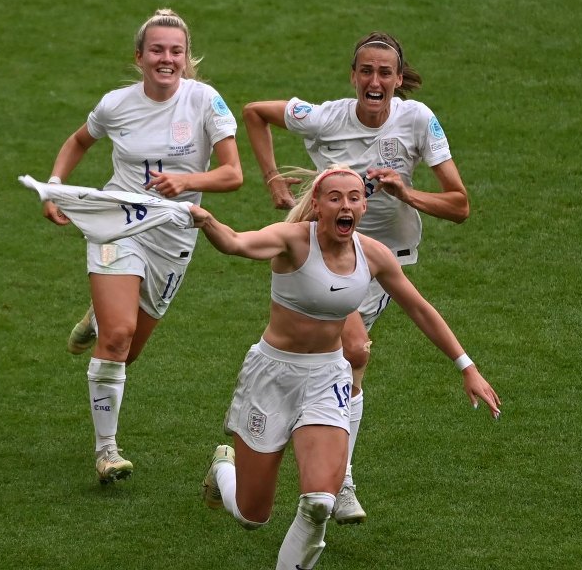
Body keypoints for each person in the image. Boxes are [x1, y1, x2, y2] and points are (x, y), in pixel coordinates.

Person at [193, 166, 500, 570]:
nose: (346, 205)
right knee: (253, 516)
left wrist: (467, 367)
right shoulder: (292, 241)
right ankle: (223, 469)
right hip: (272, 376)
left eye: (354, 197)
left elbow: (421, 310)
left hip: (327, 377)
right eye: (335, 197)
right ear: (317, 205)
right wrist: (208, 221)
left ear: (364, 206)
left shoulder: (373, 255)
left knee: (320, 502)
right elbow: (235, 243)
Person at [242, 31, 469, 522]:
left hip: (384, 260)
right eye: (366, 70)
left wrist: (407, 194)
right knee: (353, 352)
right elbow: (255, 113)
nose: (375, 80)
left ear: (398, 79)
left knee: (347, 356)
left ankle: (314, 464)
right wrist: (273, 179)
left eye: (385, 72)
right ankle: (336, 481)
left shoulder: (418, 120)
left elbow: (459, 205)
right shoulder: (323, 117)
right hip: (319, 254)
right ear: (353, 76)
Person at [41, 8, 242, 484]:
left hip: (173, 236)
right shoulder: (116, 104)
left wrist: (187, 181)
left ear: (186, 57)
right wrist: (54, 185)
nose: (166, 59)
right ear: (140, 56)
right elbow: (78, 141)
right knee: (116, 338)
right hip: (117, 225)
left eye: (175, 51)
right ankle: (106, 451)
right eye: (157, 50)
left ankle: (99, 313)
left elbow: (233, 174)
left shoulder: (206, 102)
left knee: (126, 351)